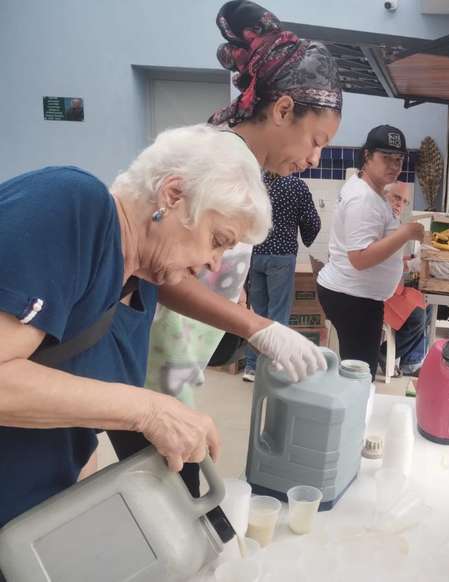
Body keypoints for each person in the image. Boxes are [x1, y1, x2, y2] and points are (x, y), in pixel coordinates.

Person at [0, 123, 331, 529]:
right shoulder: (71, 205)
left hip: (27, 527)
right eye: (218, 239)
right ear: (173, 196)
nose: (215, 262)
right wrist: (148, 410)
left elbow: (71, 412)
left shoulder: (142, 285)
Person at [140, 0, 342, 495]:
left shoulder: (238, 160)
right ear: (283, 110)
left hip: (182, 357)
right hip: (153, 361)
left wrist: (239, 301)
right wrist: (257, 328)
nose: (314, 159)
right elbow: (163, 272)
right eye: (315, 140)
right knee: (166, 484)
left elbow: (216, 263)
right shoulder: (215, 159)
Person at [316, 125, 425, 378]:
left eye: (398, 159)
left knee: (358, 369)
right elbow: (360, 258)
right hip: (352, 298)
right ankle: (351, 415)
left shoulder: (372, 193)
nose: (394, 165)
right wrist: (406, 233)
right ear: (367, 156)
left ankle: (352, 410)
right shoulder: (363, 199)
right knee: (358, 375)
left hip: (358, 296)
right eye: (385, 158)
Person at [242, 172, 321, 382]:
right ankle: (272, 368)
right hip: (281, 257)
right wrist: (306, 234)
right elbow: (312, 222)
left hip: (255, 254)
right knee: (278, 314)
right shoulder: (296, 185)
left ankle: (251, 367)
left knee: (257, 313)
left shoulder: (257, 181)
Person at [380, 181, 431, 377]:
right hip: (377, 291)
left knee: (427, 304)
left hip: (392, 287)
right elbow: (376, 261)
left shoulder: (395, 225)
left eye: (405, 201)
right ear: (384, 196)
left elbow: (391, 258)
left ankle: (410, 363)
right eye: (396, 198)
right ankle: (384, 354)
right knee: (416, 316)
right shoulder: (376, 221)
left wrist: (411, 260)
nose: (400, 204)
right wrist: (409, 265)